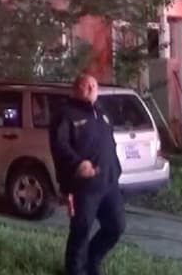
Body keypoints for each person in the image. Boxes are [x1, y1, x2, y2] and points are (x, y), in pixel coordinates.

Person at [49, 74, 124, 275]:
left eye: (94, 85)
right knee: (81, 232)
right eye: (86, 85)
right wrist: (76, 164)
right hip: (84, 187)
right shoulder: (65, 114)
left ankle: (91, 261)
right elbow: (59, 147)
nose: (91, 89)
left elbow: (110, 142)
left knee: (116, 226)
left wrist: (115, 168)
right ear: (76, 89)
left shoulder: (102, 112)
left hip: (109, 183)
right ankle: (75, 270)